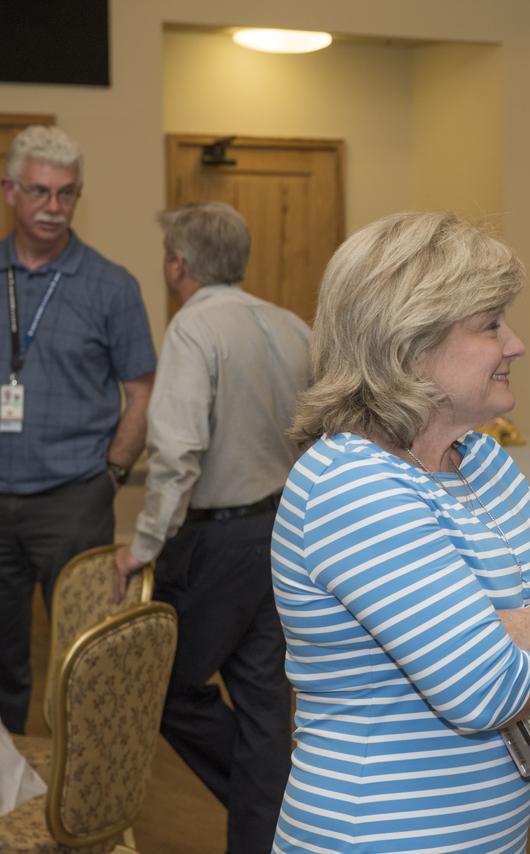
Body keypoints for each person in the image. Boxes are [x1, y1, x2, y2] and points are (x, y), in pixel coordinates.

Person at [270, 211, 530, 852]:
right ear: (410, 344)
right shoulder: (352, 484)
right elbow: (486, 691)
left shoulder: (481, 461)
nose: (515, 344)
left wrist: (528, 627)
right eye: (490, 325)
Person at [111, 202, 307, 852]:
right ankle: (273, 820)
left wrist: (143, 548)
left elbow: (177, 454)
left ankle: (273, 804)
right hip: (283, 535)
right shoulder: (292, 328)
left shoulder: (193, 332)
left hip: (215, 541)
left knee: (161, 687)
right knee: (263, 707)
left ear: (178, 266)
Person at [0, 126, 155, 735]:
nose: (52, 207)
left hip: (73, 499)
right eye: (39, 191)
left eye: (66, 194)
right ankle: (9, 806)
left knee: (82, 658)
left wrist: (111, 475)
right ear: (10, 190)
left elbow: (141, 393)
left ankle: (80, 808)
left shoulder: (110, 286)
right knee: (4, 662)